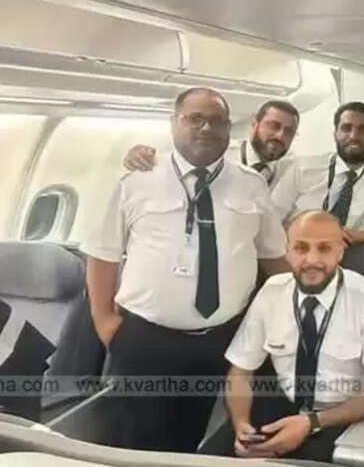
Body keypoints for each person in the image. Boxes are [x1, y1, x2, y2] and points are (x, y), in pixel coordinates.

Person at [81, 87, 289, 453]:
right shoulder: (135, 180)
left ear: (230, 129)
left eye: (217, 121)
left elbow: (273, 257)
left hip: (220, 339)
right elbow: (103, 256)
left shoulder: (251, 185)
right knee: (135, 444)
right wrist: (104, 321)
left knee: (191, 439)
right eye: (195, 118)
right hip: (146, 340)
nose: (206, 128)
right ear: (174, 123)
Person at [200, 210, 364, 461]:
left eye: (324, 249)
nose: (312, 260)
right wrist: (241, 426)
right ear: (287, 250)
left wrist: (310, 423)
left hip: (340, 417)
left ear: (340, 251)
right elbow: (240, 372)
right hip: (283, 406)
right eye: (301, 248)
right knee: (206, 460)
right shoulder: (272, 292)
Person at [271, 102, 364, 245]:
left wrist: (351, 236)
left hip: (341, 251)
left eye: (363, 130)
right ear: (335, 134)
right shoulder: (303, 168)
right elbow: (271, 218)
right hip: (293, 245)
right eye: (346, 128)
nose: (354, 135)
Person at [123, 99, 302, 189]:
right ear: (254, 125)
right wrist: (139, 154)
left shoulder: (295, 171)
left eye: (289, 131)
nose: (280, 135)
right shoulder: (216, 151)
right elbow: (168, 158)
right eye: (274, 126)